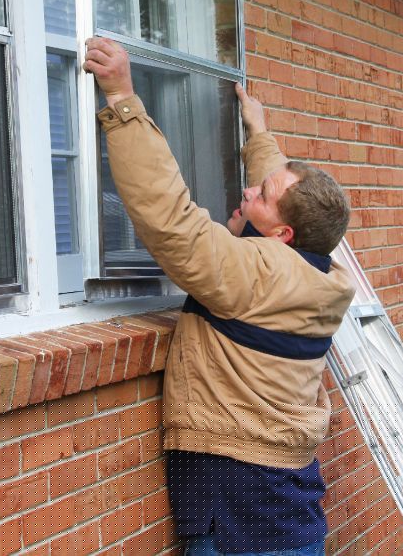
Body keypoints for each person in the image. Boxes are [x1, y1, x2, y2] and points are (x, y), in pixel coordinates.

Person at [84, 37, 355, 556]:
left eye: (263, 195)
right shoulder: (320, 274)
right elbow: (282, 198)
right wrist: (259, 133)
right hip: (285, 489)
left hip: (236, 493)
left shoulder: (257, 274)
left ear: (281, 239)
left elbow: (172, 221)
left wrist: (122, 99)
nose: (250, 191)